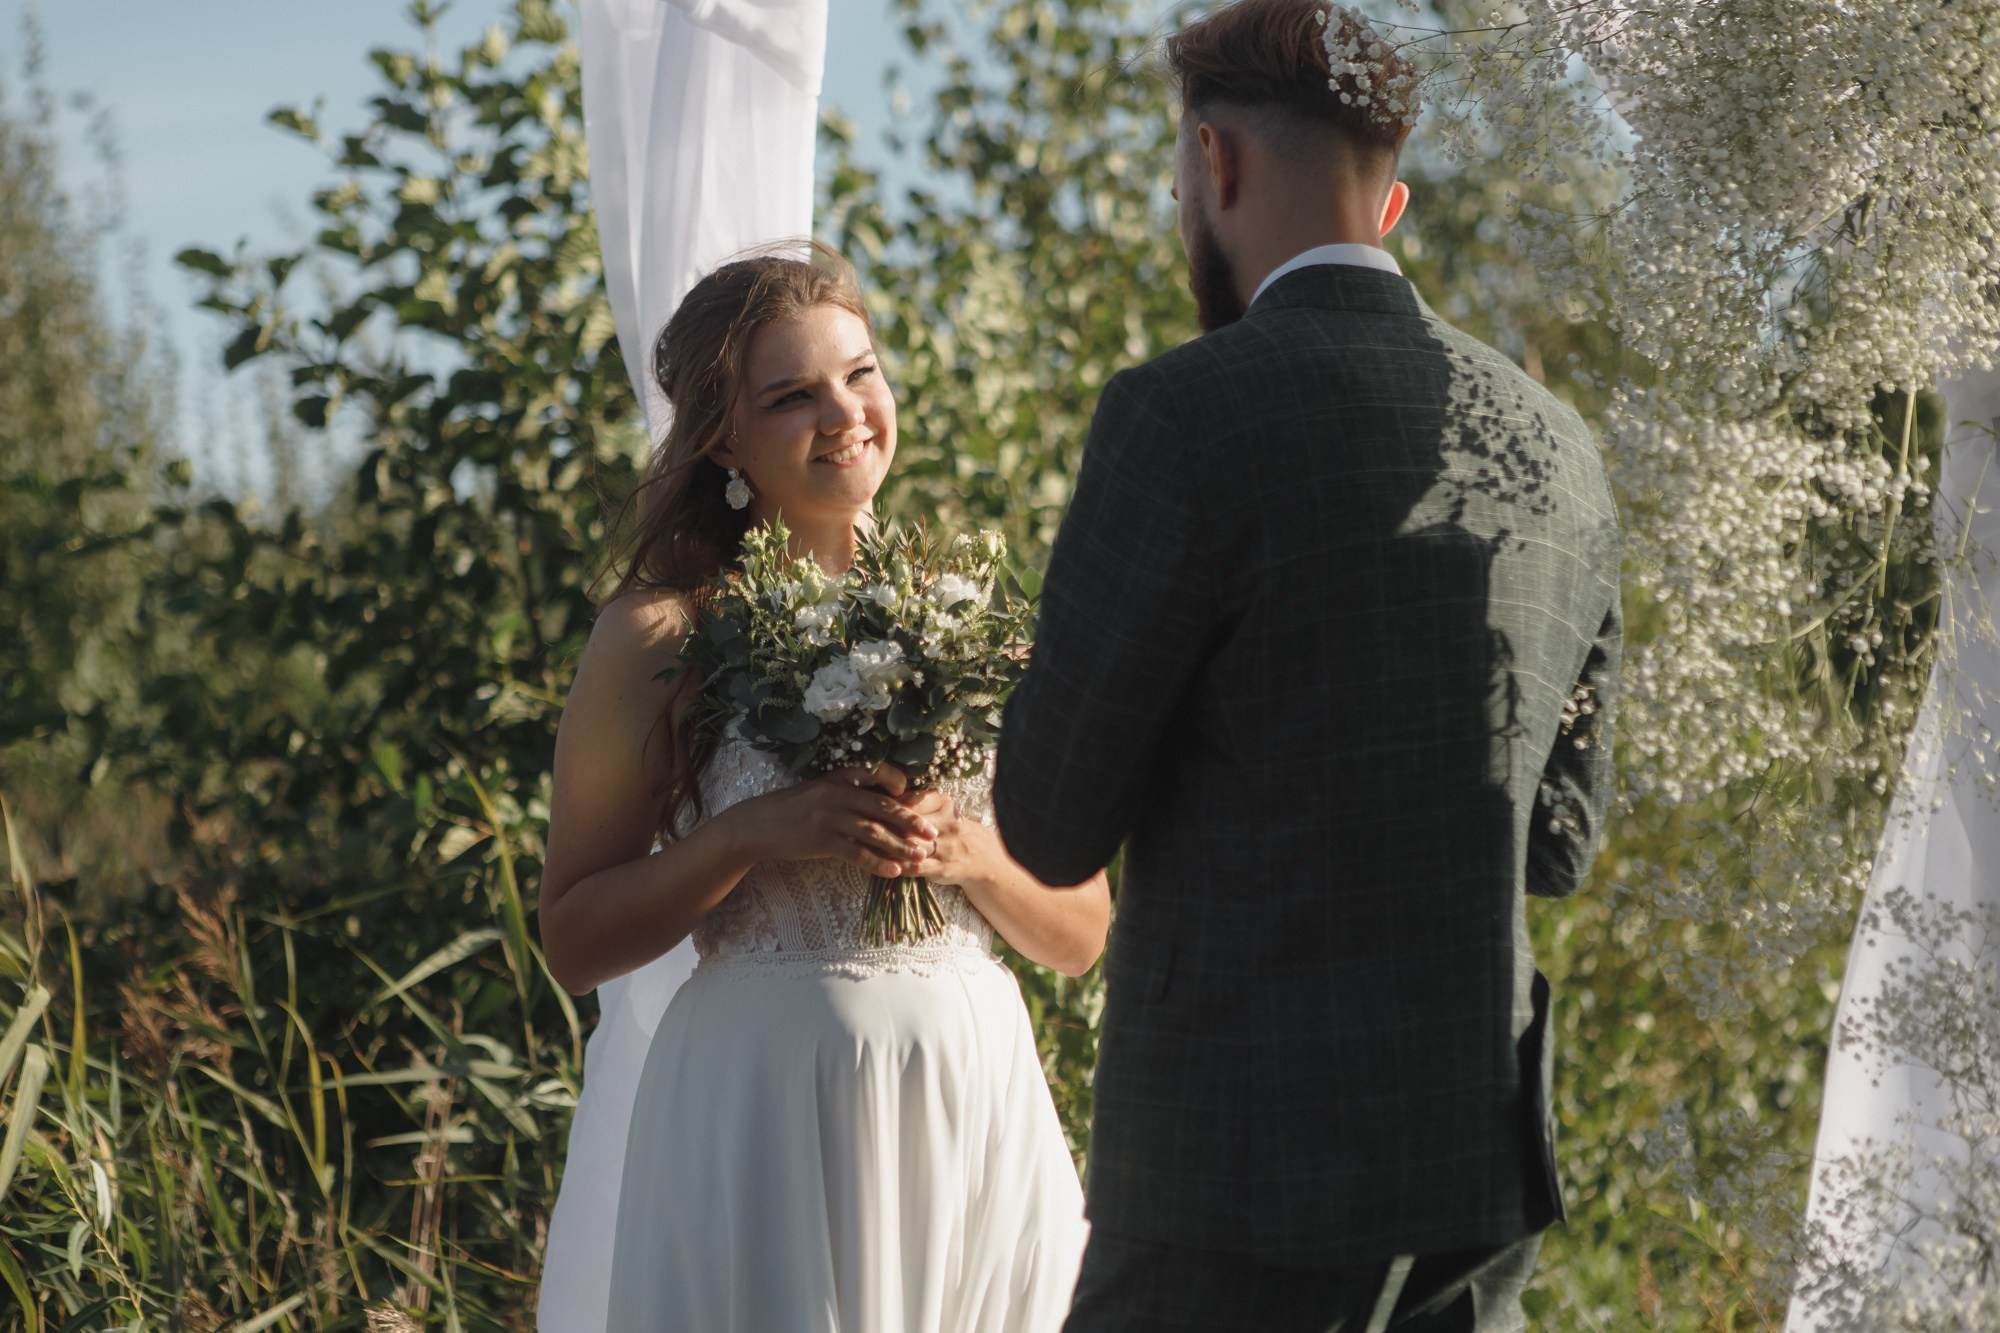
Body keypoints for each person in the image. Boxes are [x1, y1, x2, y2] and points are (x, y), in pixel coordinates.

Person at [994, 1, 1623, 1328]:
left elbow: (1046, 828)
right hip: (1471, 1167)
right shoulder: (1560, 449)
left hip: (1229, 1172)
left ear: (1215, 163)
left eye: (1180, 176)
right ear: (1389, 196)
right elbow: (1559, 842)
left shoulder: (1179, 417)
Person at [537, 245, 1104, 1332]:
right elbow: (574, 938)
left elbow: (1081, 932)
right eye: (791, 394)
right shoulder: (661, 632)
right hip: (764, 1111)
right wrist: (752, 834)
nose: (844, 413)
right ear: (721, 437)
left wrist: (969, 853)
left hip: (968, 1090)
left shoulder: (973, 621)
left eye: (860, 373)